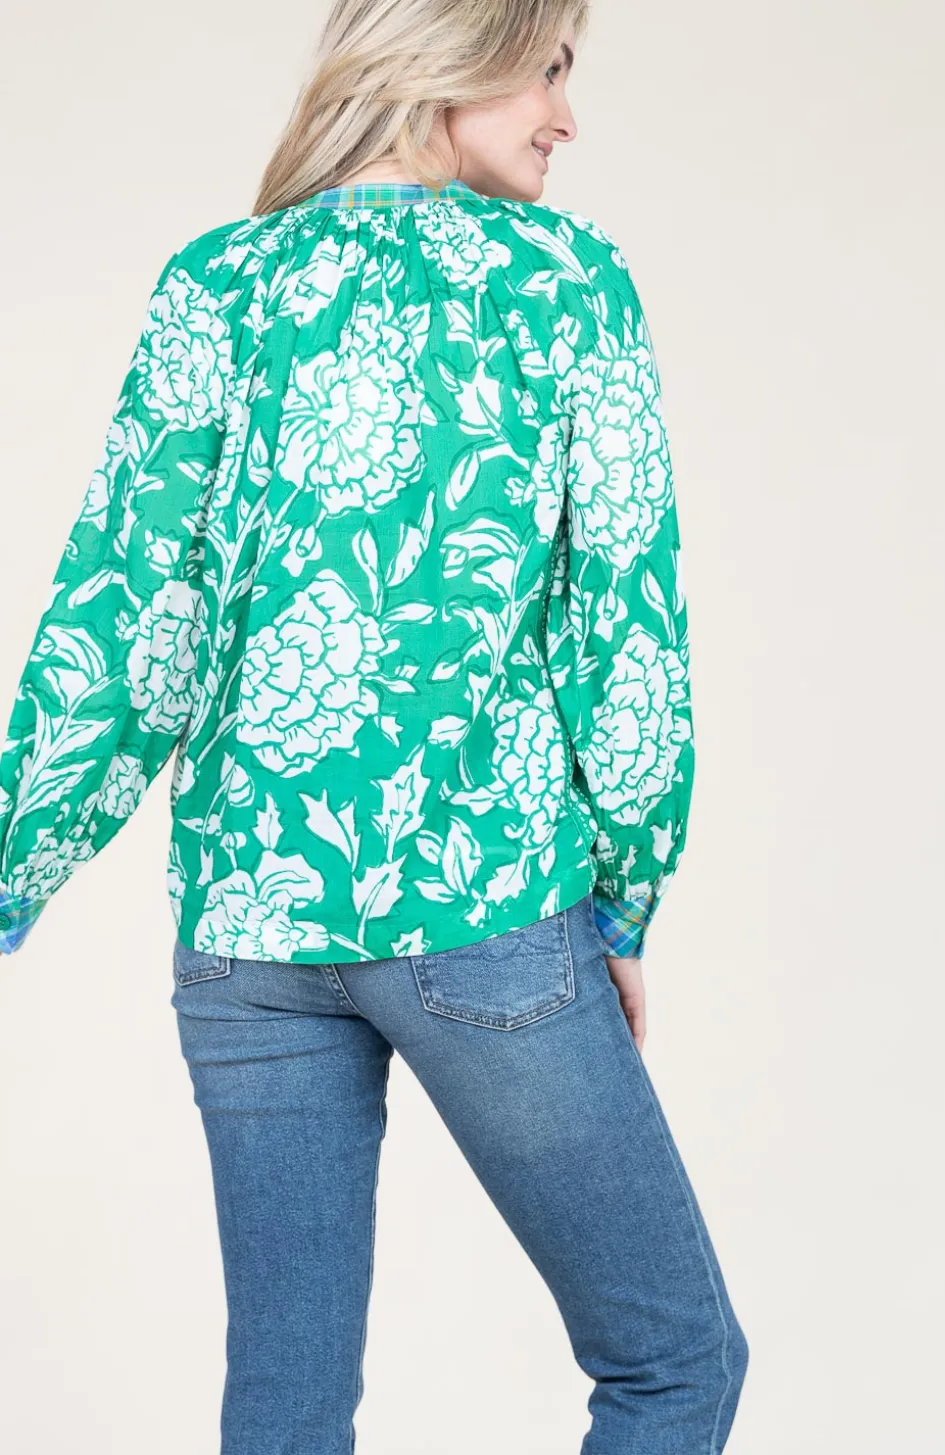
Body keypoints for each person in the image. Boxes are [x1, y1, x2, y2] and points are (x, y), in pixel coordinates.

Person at [0, 1, 749, 1449]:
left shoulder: (216, 284)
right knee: (675, 1360)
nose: (566, 115)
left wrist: (11, 863)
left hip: (245, 931)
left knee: (285, 1411)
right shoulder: (564, 282)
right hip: (481, 910)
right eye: (549, 68)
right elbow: (624, 630)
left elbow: (127, 620)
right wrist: (625, 896)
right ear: (455, 54)